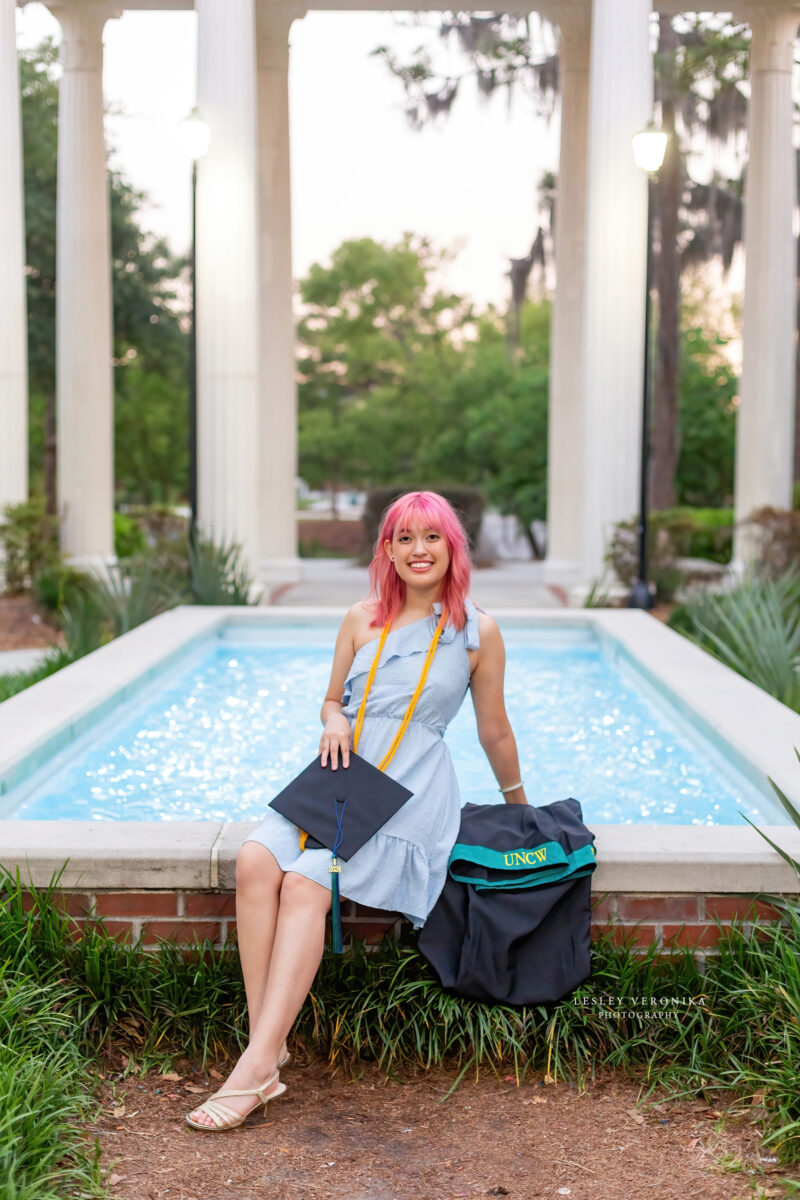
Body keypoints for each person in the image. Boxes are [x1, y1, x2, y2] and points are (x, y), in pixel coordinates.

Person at [187, 490, 528, 1130]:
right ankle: (271, 1046)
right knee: (258, 860)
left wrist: (520, 806)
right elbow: (328, 699)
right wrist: (335, 718)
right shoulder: (359, 618)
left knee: (310, 879)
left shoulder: (476, 631)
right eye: (404, 538)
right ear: (388, 550)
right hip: (344, 774)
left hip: (412, 787)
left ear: (452, 546)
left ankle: (255, 1070)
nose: (418, 550)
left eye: (432, 537)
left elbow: (494, 729)